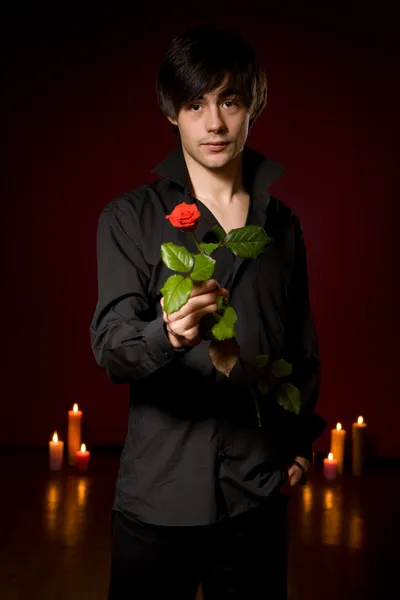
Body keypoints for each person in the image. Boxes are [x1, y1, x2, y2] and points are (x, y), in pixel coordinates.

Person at [90, 23, 325, 600]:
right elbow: (110, 345)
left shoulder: (282, 225)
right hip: (160, 492)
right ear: (173, 113)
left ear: (254, 107)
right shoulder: (129, 219)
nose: (214, 123)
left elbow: (300, 347)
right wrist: (167, 335)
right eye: (195, 104)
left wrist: (297, 444)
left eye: (230, 101)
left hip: (255, 495)